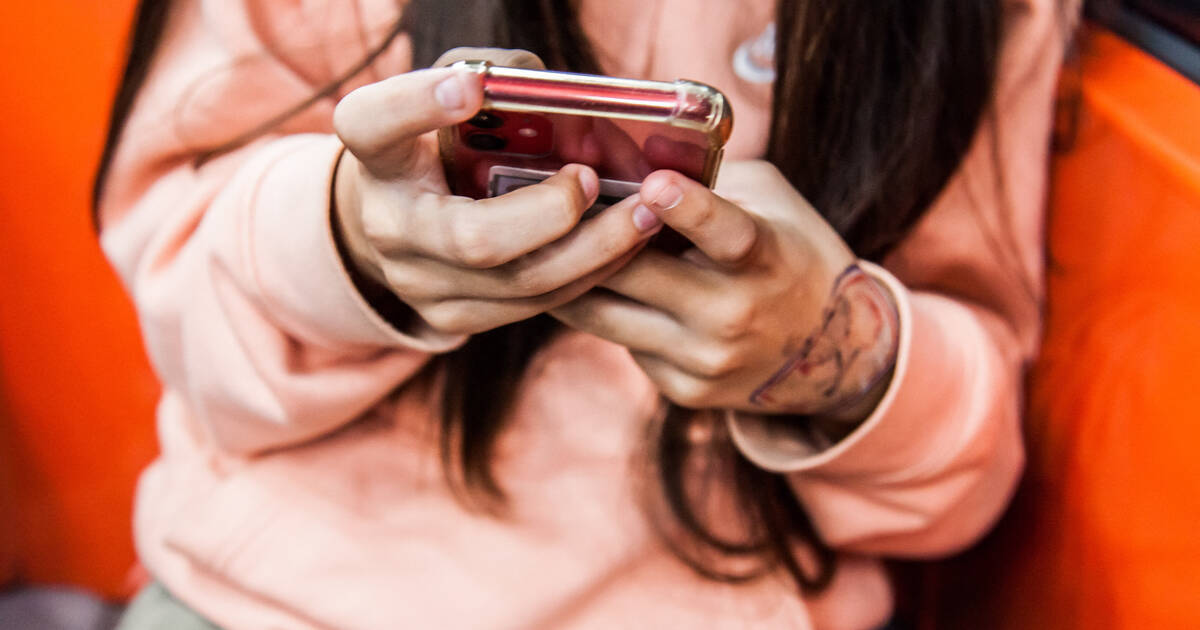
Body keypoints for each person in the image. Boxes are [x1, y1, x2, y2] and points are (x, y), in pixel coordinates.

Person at [96, 0, 1077, 628]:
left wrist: (833, 348)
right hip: (264, 601)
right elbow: (181, 305)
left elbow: (969, 471)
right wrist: (350, 242)